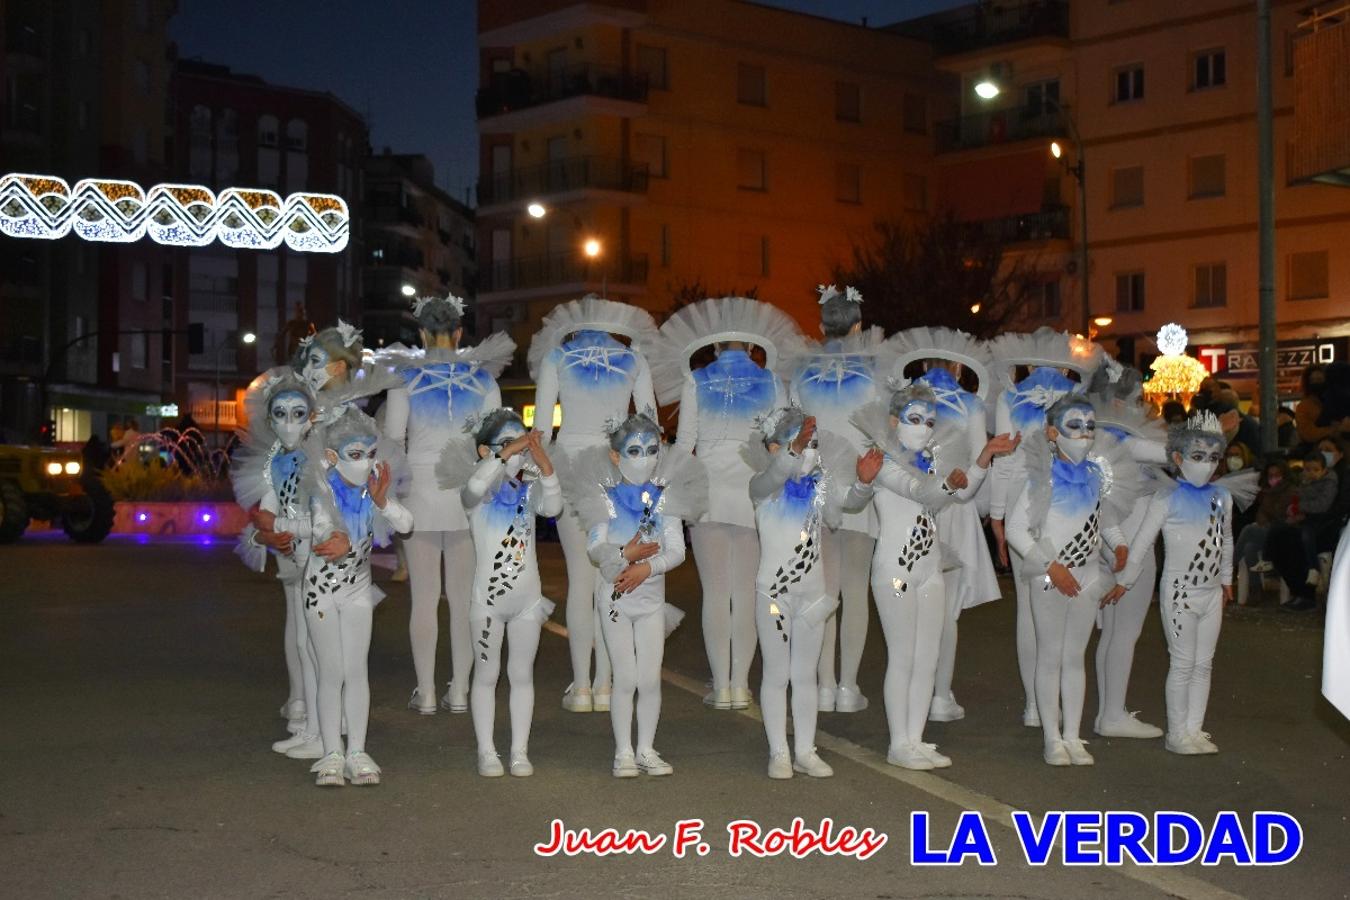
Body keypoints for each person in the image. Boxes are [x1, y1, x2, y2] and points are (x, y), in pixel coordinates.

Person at [649, 296, 805, 710]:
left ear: (715, 344)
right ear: (753, 345)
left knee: (717, 592)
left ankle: (721, 686)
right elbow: (780, 443)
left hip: (709, 493)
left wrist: (666, 487)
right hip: (756, 494)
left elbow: (684, 444)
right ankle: (742, 684)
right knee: (749, 591)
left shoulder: (696, 380)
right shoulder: (772, 382)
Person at [850, 385, 1018, 769]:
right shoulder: (883, 462)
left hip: (930, 569)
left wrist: (984, 457)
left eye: (929, 421)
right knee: (903, 656)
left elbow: (962, 495)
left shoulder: (930, 460)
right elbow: (919, 491)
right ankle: (899, 744)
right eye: (914, 419)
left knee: (928, 657)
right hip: (895, 572)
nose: (924, 428)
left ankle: (915, 738)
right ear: (894, 421)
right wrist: (947, 484)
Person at [381, 293, 515, 717]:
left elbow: (393, 441)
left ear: (422, 334)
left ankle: (426, 692)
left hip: (419, 492)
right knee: (463, 599)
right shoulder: (484, 380)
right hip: (467, 492)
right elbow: (496, 443)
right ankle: (460, 689)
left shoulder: (405, 380)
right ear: (458, 333)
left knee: (423, 598)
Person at [528, 294, 659, 716]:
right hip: (618, 471)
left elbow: (542, 428)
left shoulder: (557, 356)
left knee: (580, 580)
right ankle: (606, 684)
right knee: (611, 576)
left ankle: (582, 687)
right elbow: (650, 426)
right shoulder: (633, 358)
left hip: (569, 467)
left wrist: (538, 476)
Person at [567, 410, 705, 777]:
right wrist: (624, 554)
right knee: (625, 678)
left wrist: (647, 567)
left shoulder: (665, 498)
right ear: (615, 456)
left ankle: (646, 748)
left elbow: (677, 551)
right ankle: (623, 752)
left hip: (651, 602)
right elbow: (595, 548)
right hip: (615, 601)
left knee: (649, 679)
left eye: (651, 449)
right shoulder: (604, 497)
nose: (644, 458)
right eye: (634, 450)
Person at [1005, 394, 1137, 766]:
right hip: (1050, 577)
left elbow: (1104, 519)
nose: (1084, 434)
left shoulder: (1096, 475)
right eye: (1074, 426)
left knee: (1075, 656)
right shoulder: (1041, 476)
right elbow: (1016, 530)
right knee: (1050, 655)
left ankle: (1073, 736)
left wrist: (1119, 544)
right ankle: (1052, 738)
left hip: (1088, 574)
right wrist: (1051, 566)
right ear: (1052, 433)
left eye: (1089, 427)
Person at [1119, 411, 1257, 754]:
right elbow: (1141, 544)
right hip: (1180, 593)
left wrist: (1226, 579)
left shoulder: (1222, 497)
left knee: (1204, 663)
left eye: (1213, 457)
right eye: (1198, 456)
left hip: (1211, 594)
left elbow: (1225, 539)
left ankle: (1195, 729)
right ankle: (1177, 733)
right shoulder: (1166, 498)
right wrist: (1124, 581)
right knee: (1182, 663)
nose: (1207, 464)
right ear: (1178, 459)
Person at [986, 328, 1104, 728]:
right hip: (1069, 501)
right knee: (1070, 603)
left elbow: (1004, 460)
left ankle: (1036, 705)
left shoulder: (1011, 396)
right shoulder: (1077, 396)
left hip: (1024, 498)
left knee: (1030, 607)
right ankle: (1059, 703)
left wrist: (998, 517)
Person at [746, 407, 872, 778]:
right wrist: (794, 450)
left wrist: (864, 484)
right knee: (777, 674)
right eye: (801, 443)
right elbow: (773, 477)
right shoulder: (762, 488)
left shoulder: (819, 486)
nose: (809, 450)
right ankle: (779, 751)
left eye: (813, 444)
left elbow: (849, 502)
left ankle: (805, 749)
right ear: (774, 448)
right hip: (775, 596)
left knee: (805, 675)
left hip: (813, 595)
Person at [436, 409, 561, 777]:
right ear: (483, 450)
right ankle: (487, 751)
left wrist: (543, 463)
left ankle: (519, 751)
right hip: (488, 603)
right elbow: (474, 488)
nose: (518, 448)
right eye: (507, 442)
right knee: (487, 674)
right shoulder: (476, 494)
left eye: (521, 441)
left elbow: (554, 506)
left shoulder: (528, 489)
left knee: (522, 674)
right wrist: (507, 453)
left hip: (528, 602)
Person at [888, 325, 998, 724]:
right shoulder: (970, 403)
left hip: (911, 503)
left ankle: (910, 687)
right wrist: (981, 506)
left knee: (910, 600)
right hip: (955, 507)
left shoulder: (905, 399)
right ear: (958, 365)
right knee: (945, 608)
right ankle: (938, 695)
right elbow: (979, 463)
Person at [785, 284, 887, 714]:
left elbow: (793, 427)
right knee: (855, 590)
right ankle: (847, 686)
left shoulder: (801, 370)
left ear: (822, 325)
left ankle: (823, 685)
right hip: (860, 483)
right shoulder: (875, 369)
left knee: (821, 588)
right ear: (859, 325)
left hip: (815, 486)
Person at [302, 405, 414, 786]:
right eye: (355, 454)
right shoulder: (321, 490)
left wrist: (383, 501)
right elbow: (323, 527)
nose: (365, 462)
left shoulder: (371, 491)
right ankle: (332, 752)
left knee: (356, 669)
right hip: (321, 592)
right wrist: (337, 539)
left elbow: (407, 523)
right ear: (332, 457)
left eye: (370, 453)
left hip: (358, 590)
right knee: (331, 671)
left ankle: (357, 751)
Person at [230, 368, 321, 746]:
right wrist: (266, 533)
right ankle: (309, 713)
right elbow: (266, 509)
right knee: (302, 636)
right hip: (292, 551)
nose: (288, 424)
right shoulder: (273, 463)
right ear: (269, 420)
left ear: (311, 417)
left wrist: (283, 527)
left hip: (323, 556)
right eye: (280, 415)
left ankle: (327, 719)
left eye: (298, 414)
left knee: (324, 639)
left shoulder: (322, 458)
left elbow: (334, 514)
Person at [1088, 365, 1170, 740]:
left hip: (1108, 539)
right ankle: (1112, 715)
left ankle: (1111, 711)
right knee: (1123, 633)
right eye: (1138, 398)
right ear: (1119, 402)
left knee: (1113, 633)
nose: (1143, 406)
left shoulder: (1093, 435)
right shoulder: (1125, 439)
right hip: (1130, 542)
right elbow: (1176, 453)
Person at [1236, 459, 1293, 604]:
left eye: (1277, 475)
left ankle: (1230, 564)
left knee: (1248, 529)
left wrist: (1267, 519)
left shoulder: (1290, 491)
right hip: (1267, 530)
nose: (1273, 478)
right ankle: (1256, 589)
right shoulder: (1267, 492)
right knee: (1249, 547)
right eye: (1270, 476)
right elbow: (1261, 514)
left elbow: (1281, 514)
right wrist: (1264, 521)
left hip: (1282, 533)